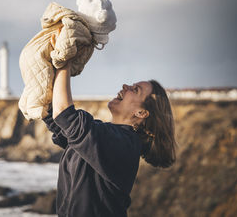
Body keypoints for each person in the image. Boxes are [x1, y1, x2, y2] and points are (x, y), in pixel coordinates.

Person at [42, 61, 177, 217]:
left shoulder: (123, 145)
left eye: (135, 89)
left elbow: (64, 116)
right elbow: (62, 126)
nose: (125, 86)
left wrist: (64, 61)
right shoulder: (108, 135)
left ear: (141, 112)